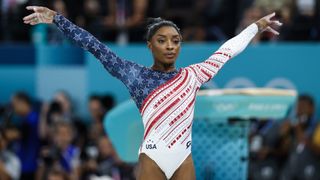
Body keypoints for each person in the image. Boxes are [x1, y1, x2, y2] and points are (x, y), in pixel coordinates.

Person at [23, 6, 282, 180]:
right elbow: (95, 47)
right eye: (162, 40)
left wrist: (255, 27)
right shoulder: (134, 75)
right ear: (149, 45)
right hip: (153, 157)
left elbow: (227, 51)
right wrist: (57, 19)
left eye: (175, 41)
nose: (170, 46)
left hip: (184, 159)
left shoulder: (192, 75)